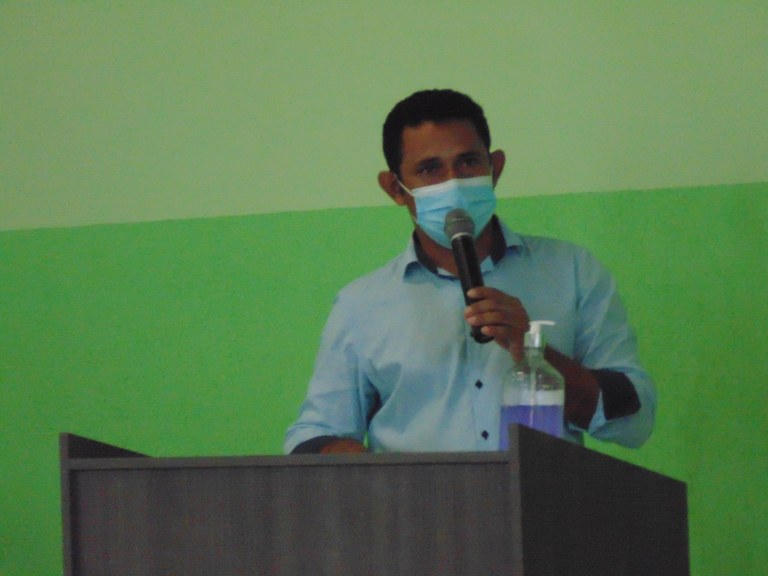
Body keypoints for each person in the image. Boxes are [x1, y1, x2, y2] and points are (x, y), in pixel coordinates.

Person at [284, 89, 655, 455]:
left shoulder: (573, 271)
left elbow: (635, 421)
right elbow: (313, 435)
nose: (454, 182)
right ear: (395, 189)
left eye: (468, 162)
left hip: (540, 493)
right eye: (430, 169)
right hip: (412, 497)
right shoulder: (360, 304)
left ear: (495, 168)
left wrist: (533, 352)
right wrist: (372, 476)